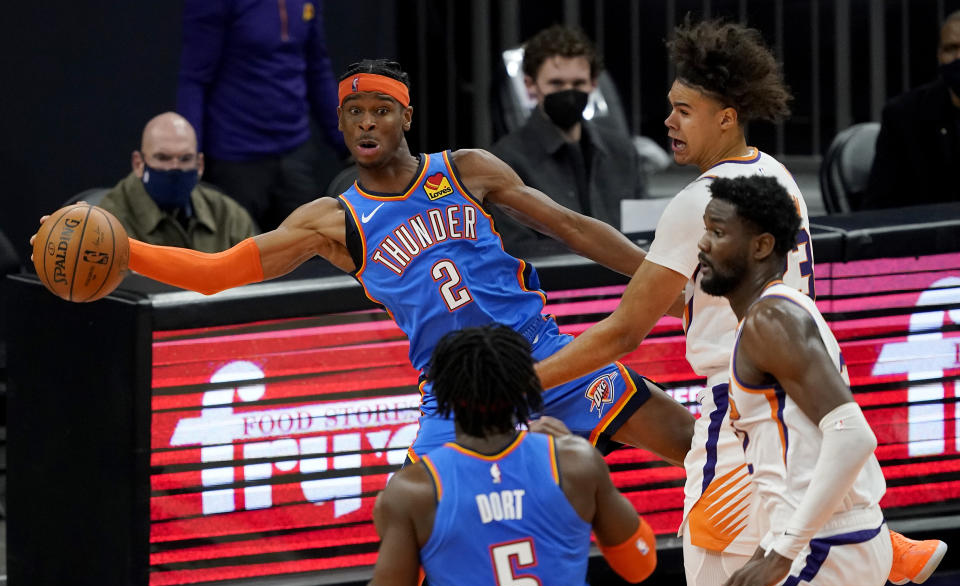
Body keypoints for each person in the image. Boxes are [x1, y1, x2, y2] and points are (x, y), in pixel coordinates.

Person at [41, 59, 694, 466]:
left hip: (548, 362)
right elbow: (219, 272)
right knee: (411, 540)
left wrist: (664, 284)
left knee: (691, 441)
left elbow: (575, 228)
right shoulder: (334, 218)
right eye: (353, 112)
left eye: (380, 109)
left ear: (405, 116)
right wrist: (127, 251)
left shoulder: (466, 170)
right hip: (454, 398)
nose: (366, 122)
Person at [533, 18, 945, 586]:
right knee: (778, 571)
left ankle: (871, 540)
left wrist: (522, 383)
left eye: (683, 110)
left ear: (726, 114)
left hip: (740, 413)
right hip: (793, 397)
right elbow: (692, 294)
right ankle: (876, 538)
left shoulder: (701, 200)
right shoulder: (776, 177)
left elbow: (624, 331)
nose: (667, 122)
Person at [671, 175, 898, 586]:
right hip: (834, 543)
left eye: (717, 233)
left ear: (761, 246)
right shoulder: (777, 311)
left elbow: (854, 436)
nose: (702, 245)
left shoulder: (770, 320)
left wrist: (782, 549)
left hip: (824, 548)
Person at [364, 324, 657, 586]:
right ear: (527, 387)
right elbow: (640, 566)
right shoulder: (574, 462)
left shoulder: (413, 492)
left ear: (442, 396)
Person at [176, 0, 346, 232]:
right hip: (235, 161)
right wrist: (188, 157)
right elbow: (194, 79)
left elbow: (317, 68)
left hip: (295, 155)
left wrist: (347, 140)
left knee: (307, 260)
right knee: (238, 263)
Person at [488, 25, 645, 251]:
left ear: (593, 84)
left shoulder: (623, 152)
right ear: (530, 85)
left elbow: (645, 234)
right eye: (556, 83)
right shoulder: (505, 161)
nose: (568, 92)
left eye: (578, 83)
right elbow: (516, 249)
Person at [98, 112, 258, 252]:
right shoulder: (107, 224)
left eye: (185, 159)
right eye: (162, 158)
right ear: (138, 164)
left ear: (200, 165)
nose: (175, 167)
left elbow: (260, 282)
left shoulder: (228, 216)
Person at [863, 10, 960, 209]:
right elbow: (878, 207)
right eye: (951, 48)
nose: (959, 57)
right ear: (939, 55)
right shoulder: (903, 115)